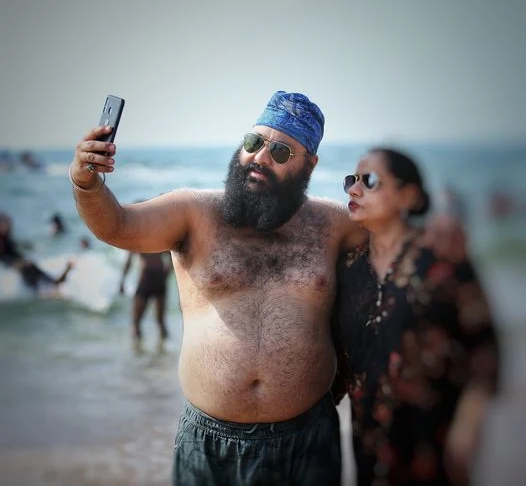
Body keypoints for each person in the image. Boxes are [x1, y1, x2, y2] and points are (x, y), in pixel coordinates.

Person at [69, 90, 366, 486]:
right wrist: (86, 182)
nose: (260, 157)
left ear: (309, 165)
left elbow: (397, 252)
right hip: (209, 443)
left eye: (280, 152)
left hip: (307, 439)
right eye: (254, 143)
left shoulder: (333, 224)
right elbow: (117, 226)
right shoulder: (193, 212)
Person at [332, 148, 500, 486]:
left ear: (408, 195)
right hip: (369, 449)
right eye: (352, 180)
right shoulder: (348, 268)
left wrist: (469, 426)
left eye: (370, 180)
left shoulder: (442, 258)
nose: (353, 189)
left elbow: (484, 344)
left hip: (437, 442)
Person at [0, 212, 73, 293]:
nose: (8, 226)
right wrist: (22, 263)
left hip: (27, 267)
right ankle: (62, 276)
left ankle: (64, 273)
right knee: (35, 273)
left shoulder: (8, 242)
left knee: (46, 278)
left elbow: (19, 248)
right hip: (23, 269)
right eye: (4, 224)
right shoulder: (3, 244)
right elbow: (7, 262)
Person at [120, 249, 171, 346]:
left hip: (155, 279)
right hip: (149, 279)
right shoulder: (143, 240)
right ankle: (140, 350)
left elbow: (172, 255)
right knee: (138, 321)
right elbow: (128, 261)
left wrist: (168, 271)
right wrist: (122, 281)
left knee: (158, 321)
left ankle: (162, 349)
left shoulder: (152, 239)